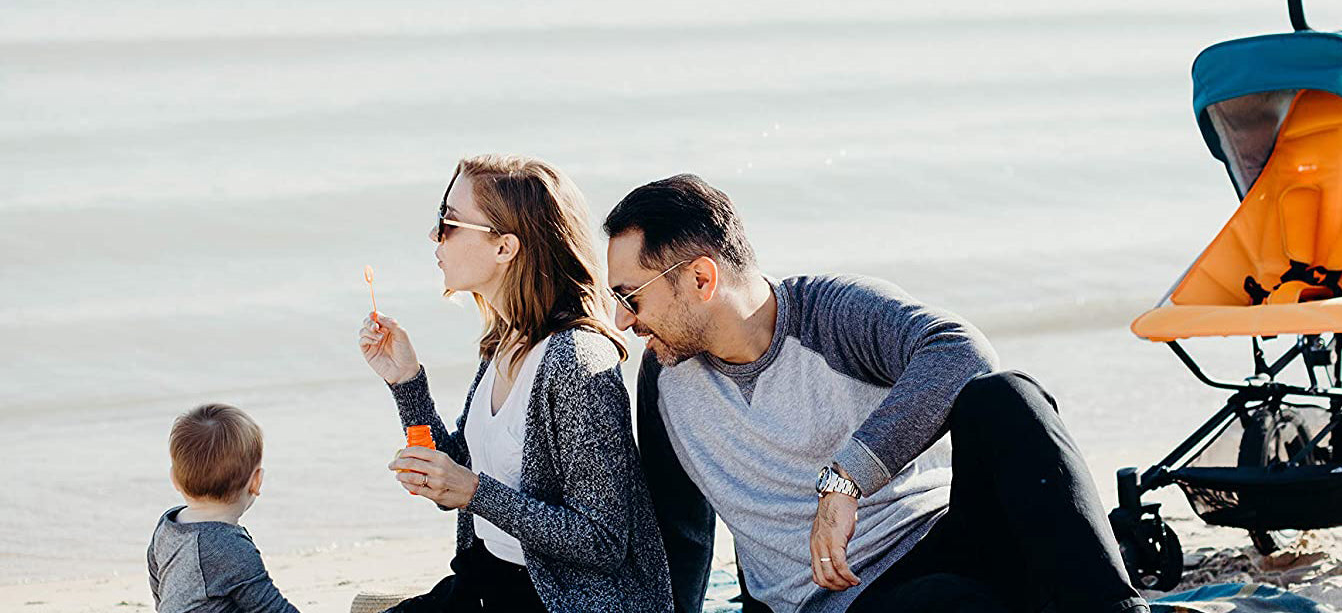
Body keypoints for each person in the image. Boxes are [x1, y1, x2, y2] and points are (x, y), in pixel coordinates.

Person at [602, 174, 1148, 613]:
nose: (623, 321)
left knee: (1005, 398)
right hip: (847, 599)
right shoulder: (665, 378)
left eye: (631, 297)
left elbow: (963, 352)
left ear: (701, 278)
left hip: (946, 539)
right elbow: (680, 527)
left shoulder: (832, 315)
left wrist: (847, 479)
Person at [358, 155, 671, 613]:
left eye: (448, 223)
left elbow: (603, 540)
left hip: (561, 599)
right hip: (487, 579)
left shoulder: (576, 362)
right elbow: (459, 473)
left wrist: (472, 492)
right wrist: (406, 382)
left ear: (505, 247)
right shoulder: (504, 340)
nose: (434, 236)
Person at [148, 403, 299, 612]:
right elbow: (272, 609)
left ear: (174, 478)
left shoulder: (167, 525)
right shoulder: (230, 547)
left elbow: (159, 588)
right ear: (256, 481)